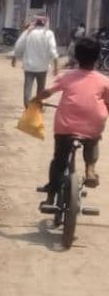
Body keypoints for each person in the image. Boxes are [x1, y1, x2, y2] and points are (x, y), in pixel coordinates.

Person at [33, 37, 109, 203]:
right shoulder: (104, 80)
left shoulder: (67, 77)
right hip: (93, 124)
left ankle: (51, 195)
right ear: (97, 58)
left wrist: (37, 99)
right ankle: (90, 169)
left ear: (76, 56)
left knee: (59, 159)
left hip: (66, 125)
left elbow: (47, 92)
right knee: (93, 140)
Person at [11, 16, 60, 108]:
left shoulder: (27, 33)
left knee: (27, 89)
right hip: (43, 67)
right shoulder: (49, 33)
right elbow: (52, 50)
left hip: (29, 67)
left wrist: (14, 59)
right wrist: (56, 66)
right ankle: (38, 108)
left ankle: (28, 108)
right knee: (41, 89)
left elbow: (18, 46)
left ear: (35, 23)